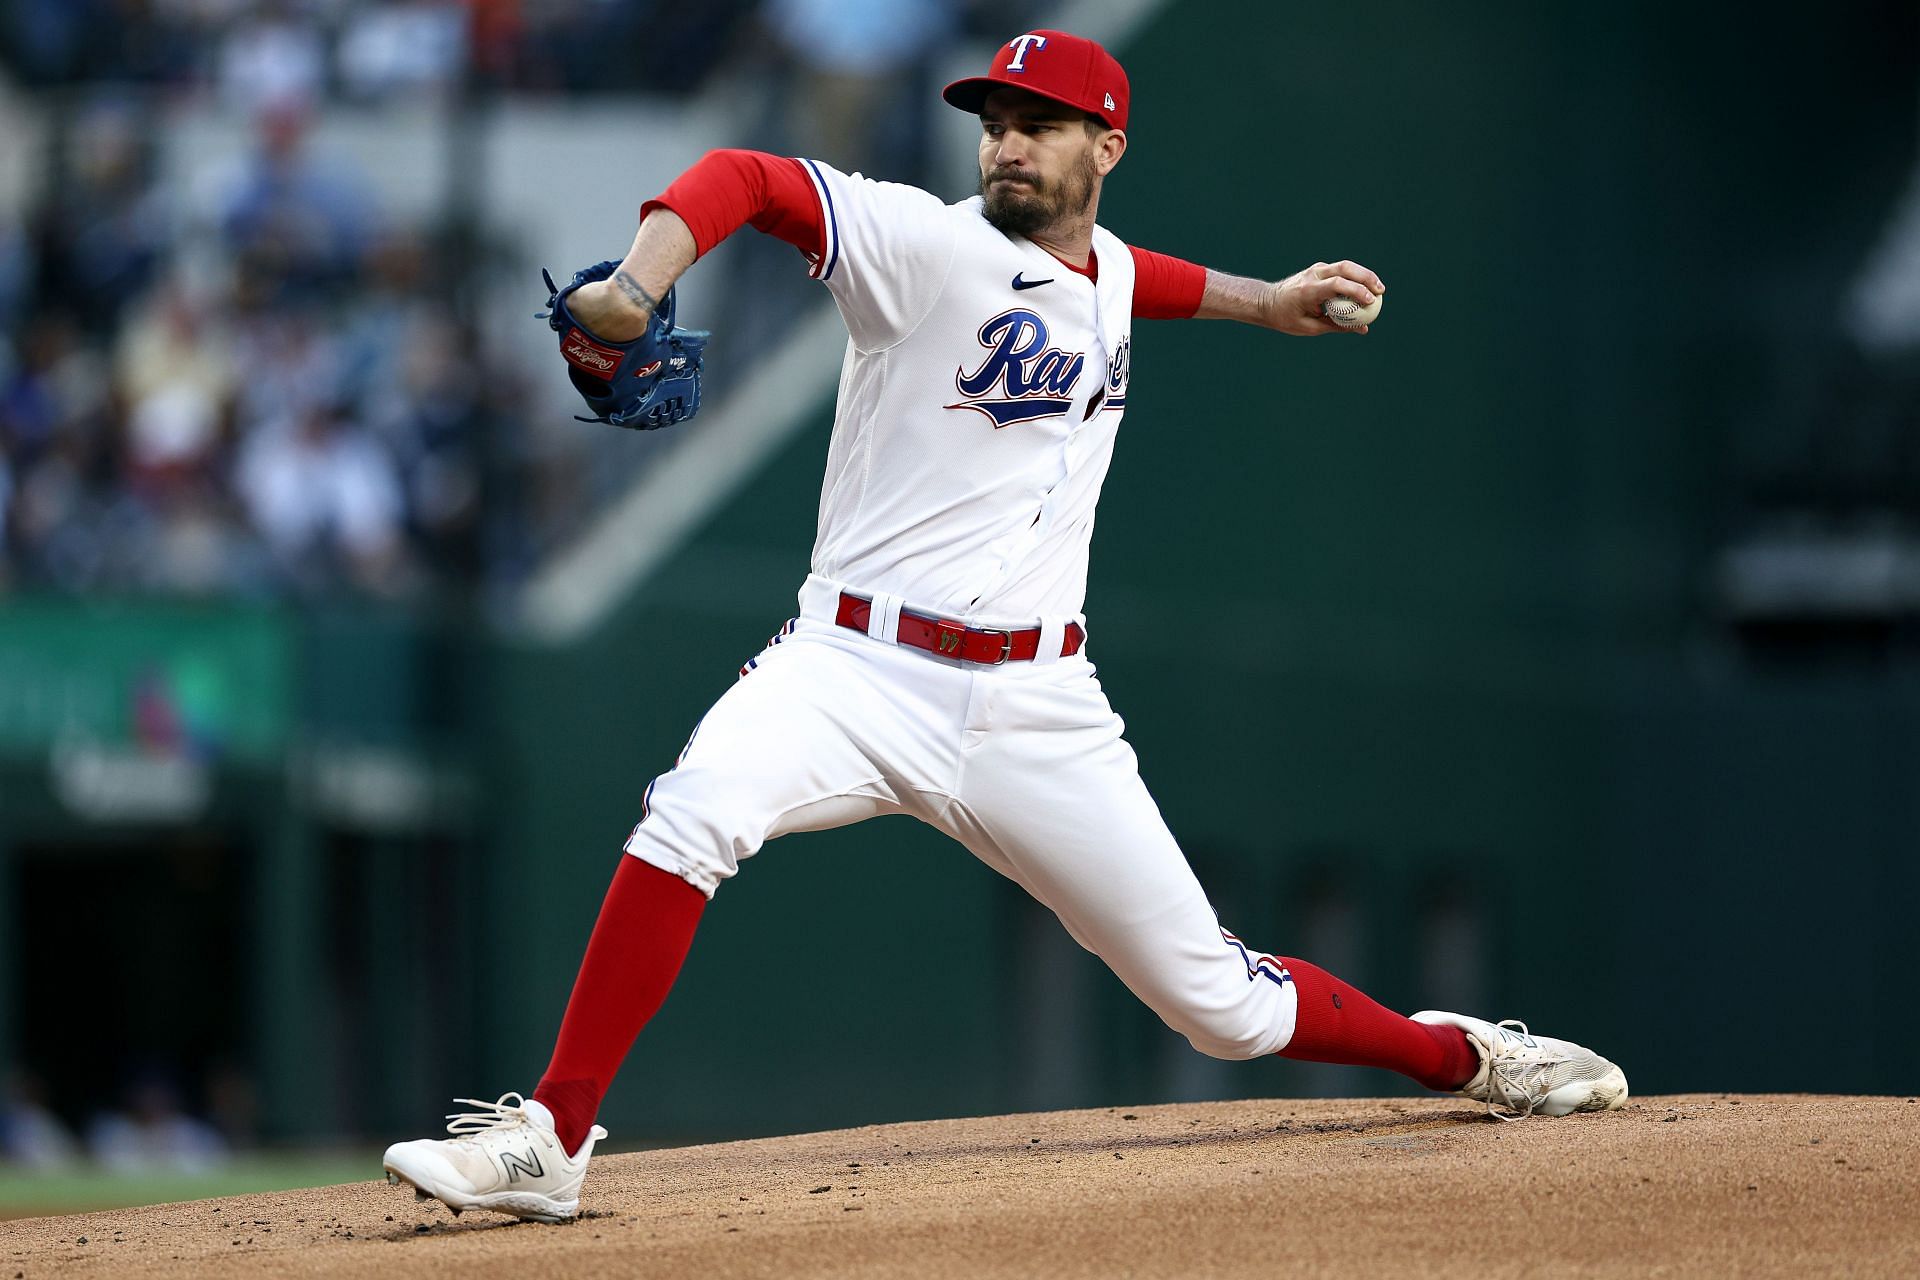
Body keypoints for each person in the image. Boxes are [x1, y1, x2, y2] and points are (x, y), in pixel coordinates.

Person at [383, 30, 1628, 1223]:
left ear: (1109, 147)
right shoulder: (921, 246)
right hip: (852, 665)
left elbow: (1148, 280)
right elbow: (748, 176)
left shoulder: (1115, 272)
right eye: (995, 123)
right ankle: (550, 1134)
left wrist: (1272, 300)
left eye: (1041, 125)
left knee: (1220, 1008)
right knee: (692, 812)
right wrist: (636, 280)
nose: (1007, 144)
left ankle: (1463, 1058)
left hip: (1041, 706)